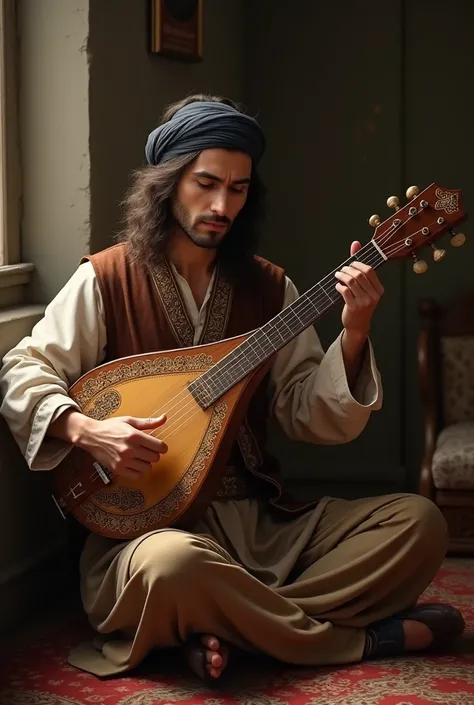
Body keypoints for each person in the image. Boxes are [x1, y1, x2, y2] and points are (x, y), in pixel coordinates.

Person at [0, 93, 464, 682]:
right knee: (173, 568)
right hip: (149, 535)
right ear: (168, 183)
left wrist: (353, 332)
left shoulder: (272, 289)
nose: (222, 205)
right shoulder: (106, 278)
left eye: (239, 189)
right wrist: (85, 428)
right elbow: (22, 367)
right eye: (206, 183)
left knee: (421, 525)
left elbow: (307, 414)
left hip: (262, 529)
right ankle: (362, 639)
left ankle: (221, 630)